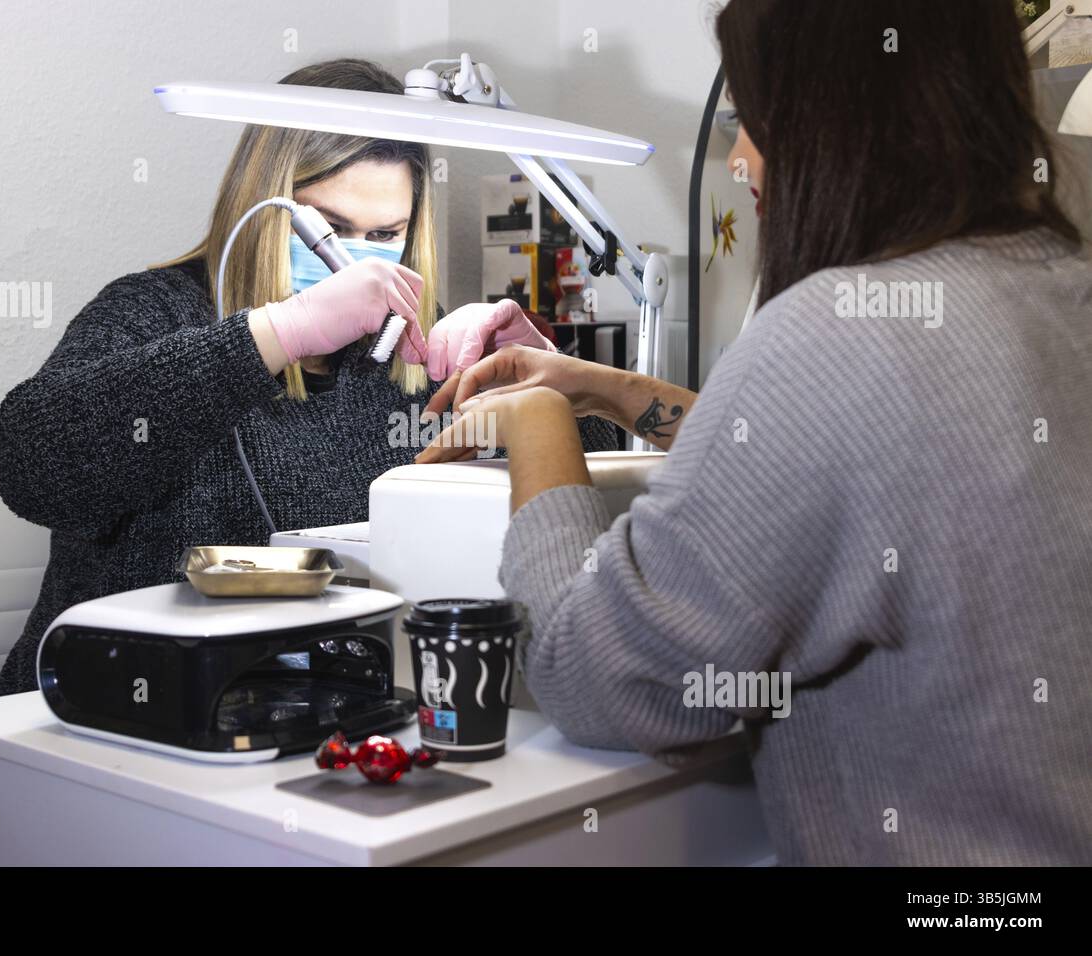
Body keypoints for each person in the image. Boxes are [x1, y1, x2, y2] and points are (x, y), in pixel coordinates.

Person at [419, 0, 1092, 865]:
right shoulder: (1058, 288)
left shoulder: (839, 335)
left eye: (752, 122)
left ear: (837, 119)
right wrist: (614, 393)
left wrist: (540, 425)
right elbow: (869, 476)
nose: (739, 162)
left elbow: (600, 678)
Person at [0, 58, 618, 700]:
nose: (353, 256)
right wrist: (275, 335)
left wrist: (554, 390)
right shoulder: (153, 311)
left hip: (320, 714)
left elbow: (581, 520)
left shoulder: (419, 348)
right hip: (100, 711)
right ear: (265, 203)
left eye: (384, 233)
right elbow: (34, 470)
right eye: (329, 228)